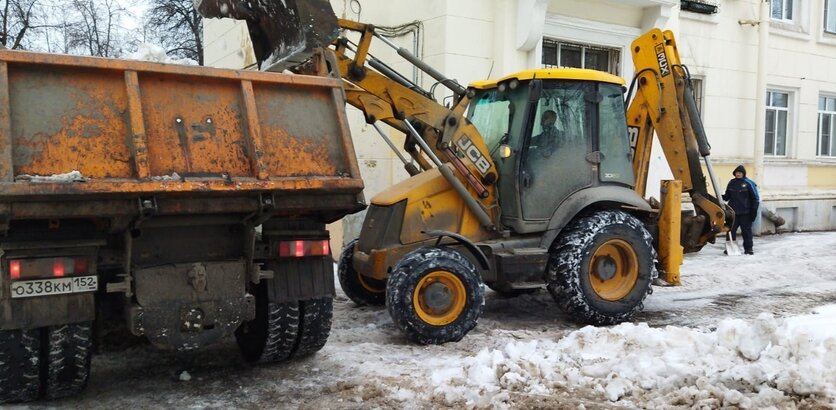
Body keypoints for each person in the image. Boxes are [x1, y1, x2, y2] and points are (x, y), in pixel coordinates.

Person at [722, 165, 760, 255]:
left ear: (743, 174)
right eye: (736, 173)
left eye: (740, 173)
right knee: (730, 231)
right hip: (733, 213)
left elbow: (755, 199)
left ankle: (748, 249)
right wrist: (721, 196)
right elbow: (727, 197)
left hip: (745, 213)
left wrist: (753, 212)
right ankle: (730, 247)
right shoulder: (731, 183)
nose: (738, 174)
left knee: (746, 232)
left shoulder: (749, 183)